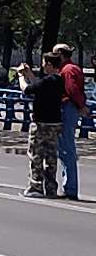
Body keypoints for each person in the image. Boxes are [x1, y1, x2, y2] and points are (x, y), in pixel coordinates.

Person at [18, 53, 65, 198]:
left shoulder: (48, 81)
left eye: (44, 63)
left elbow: (27, 89)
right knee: (51, 156)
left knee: (36, 155)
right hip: (55, 123)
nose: (43, 65)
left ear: (50, 65)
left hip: (41, 123)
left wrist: (21, 77)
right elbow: (38, 85)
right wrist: (30, 74)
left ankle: (35, 186)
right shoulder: (58, 80)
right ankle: (51, 188)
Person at [52, 43, 89, 200]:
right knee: (66, 148)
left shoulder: (67, 70)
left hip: (67, 108)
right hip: (71, 108)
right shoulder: (73, 68)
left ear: (60, 54)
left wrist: (81, 106)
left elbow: (72, 89)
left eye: (54, 54)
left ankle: (70, 188)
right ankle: (69, 187)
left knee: (66, 149)